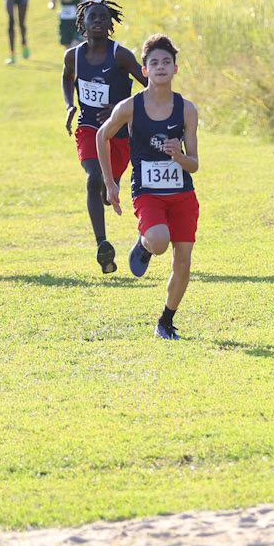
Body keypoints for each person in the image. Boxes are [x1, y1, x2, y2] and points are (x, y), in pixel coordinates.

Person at [98, 33, 199, 340]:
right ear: (144, 70)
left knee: (183, 262)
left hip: (182, 192)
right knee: (158, 241)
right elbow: (102, 136)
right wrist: (109, 182)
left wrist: (179, 155)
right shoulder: (130, 107)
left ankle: (165, 321)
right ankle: (143, 245)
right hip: (147, 191)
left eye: (166, 62)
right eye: (154, 63)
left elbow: (194, 163)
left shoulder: (187, 109)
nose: (160, 67)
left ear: (175, 68)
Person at [63, 0, 144, 274]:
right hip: (87, 127)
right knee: (94, 178)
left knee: (110, 193)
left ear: (110, 24)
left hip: (119, 134)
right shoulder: (72, 56)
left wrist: (120, 106)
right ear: (82, 24)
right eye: (92, 17)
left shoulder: (121, 55)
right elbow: (66, 77)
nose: (97, 20)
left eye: (102, 17)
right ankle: (102, 244)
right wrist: (70, 104)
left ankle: (112, 190)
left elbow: (149, 82)